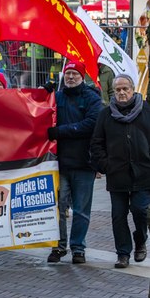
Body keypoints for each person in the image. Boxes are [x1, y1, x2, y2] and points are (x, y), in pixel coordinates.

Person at [91, 74, 150, 269]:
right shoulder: (106, 114)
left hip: (143, 173)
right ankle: (123, 253)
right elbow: (97, 143)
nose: (122, 93)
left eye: (125, 89)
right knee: (118, 215)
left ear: (133, 90)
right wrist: (105, 165)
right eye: (118, 90)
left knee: (140, 210)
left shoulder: (146, 111)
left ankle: (140, 240)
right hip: (117, 175)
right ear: (113, 92)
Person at [46, 61, 102, 264]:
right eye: (67, 73)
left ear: (82, 76)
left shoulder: (92, 98)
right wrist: (43, 94)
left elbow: (92, 124)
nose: (70, 77)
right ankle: (59, 246)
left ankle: (78, 248)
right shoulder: (56, 97)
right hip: (59, 164)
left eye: (74, 74)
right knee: (58, 208)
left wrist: (61, 132)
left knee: (81, 210)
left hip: (85, 164)